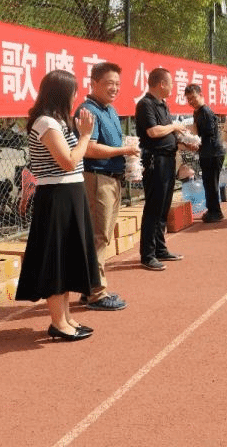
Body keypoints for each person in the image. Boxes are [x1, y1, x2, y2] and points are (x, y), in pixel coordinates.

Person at [15, 70, 99, 342]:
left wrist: (82, 136)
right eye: (74, 91)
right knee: (56, 259)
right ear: (62, 93)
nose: (76, 96)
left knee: (68, 258)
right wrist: (85, 136)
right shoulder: (46, 123)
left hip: (71, 193)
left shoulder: (59, 122)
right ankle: (58, 323)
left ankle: (66, 318)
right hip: (57, 196)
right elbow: (68, 161)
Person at [75, 62, 138, 311]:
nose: (115, 88)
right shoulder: (87, 110)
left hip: (112, 178)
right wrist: (123, 150)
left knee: (103, 234)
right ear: (94, 83)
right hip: (97, 178)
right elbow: (89, 148)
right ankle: (96, 293)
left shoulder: (109, 110)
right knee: (98, 235)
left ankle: (89, 287)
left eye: (118, 84)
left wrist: (126, 153)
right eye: (109, 83)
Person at [136, 68, 190, 271]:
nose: (173, 87)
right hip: (155, 161)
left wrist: (184, 142)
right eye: (171, 83)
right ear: (161, 84)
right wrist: (174, 127)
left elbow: (166, 133)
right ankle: (147, 255)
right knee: (153, 207)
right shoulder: (145, 104)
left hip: (168, 160)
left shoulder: (163, 104)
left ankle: (160, 248)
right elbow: (153, 131)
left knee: (163, 207)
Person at [184, 83, 226, 223]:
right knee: (208, 183)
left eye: (193, 97)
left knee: (211, 183)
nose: (191, 101)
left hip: (213, 153)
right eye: (188, 99)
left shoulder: (206, 112)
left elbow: (208, 134)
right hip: (206, 153)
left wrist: (195, 141)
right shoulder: (197, 112)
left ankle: (216, 212)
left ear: (201, 95)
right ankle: (212, 209)